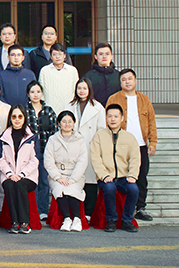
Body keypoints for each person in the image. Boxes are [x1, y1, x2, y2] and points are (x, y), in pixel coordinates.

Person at [106, 69, 157, 222]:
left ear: (135, 80)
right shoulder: (114, 99)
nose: (127, 82)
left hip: (140, 145)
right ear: (120, 82)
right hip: (120, 145)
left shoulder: (144, 99)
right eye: (124, 79)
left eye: (130, 78)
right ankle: (122, 208)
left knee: (141, 178)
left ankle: (140, 208)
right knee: (120, 177)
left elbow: (151, 122)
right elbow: (107, 121)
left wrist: (152, 142)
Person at [90, 104, 140, 232]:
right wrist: (104, 175)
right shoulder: (99, 136)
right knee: (109, 188)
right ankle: (111, 220)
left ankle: (127, 220)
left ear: (122, 118)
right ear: (106, 118)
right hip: (106, 177)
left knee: (134, 189)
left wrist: (132, 175)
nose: (113, 119)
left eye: (116, 116)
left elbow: (135, 158)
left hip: (124, 177)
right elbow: (95, 158)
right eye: (110, 116)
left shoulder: (129, 137)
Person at [65, 78, 106, 217]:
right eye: (79, 88)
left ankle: (88, 212)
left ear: (89, 90)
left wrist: (98, 148)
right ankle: (75, 212)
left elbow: (101, 130)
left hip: (90, 147)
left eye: (84, 88)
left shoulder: (98, 107)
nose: (81, 91)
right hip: (73, 147)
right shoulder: (69, 106)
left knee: (90, 180)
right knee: (75, 178)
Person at [0, 105, 39, 234]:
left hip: (28, 176)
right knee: (10, 186)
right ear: (10, 118)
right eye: (14, 116)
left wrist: (21, 174)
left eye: (20, 116)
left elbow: (35, 160)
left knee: (20, 185)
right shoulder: (3, 137)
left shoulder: (32, 137)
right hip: (9, 175)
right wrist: (10, 174)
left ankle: (25, 223)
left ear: (24, 118)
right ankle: (15, 222)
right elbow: (0, 159)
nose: (17, 119)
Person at [44, 111, 88, 232]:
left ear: (74, 123)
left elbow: (82, 161)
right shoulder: (53, 139)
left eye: (70, 121)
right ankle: (67, 219)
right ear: (59, 123)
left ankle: (77, 220)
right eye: (64, 121)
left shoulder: (80, 140)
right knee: (59, 189)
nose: (67, 124)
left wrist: (73, 179)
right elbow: (48, 160)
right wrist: (58, 177)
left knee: (72, 189)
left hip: (75, 175)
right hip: (58, 175)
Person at [25, 81, 59, 221]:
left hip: (45, 150)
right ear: (28, 94)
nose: (35, 94)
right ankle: (33, 209)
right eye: (32, 92)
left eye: (38, 92)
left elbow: (55, 131)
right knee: (32, 180)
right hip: (29, 152)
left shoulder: (48, 110)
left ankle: (43, 210)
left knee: (44, 181)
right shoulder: (24, 110)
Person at [38, 43, 79, 115]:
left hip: (69, 110)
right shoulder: (44, 71)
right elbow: (41, 92)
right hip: (50, 111)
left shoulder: (72, 70)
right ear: (51, 57)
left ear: (64, 56)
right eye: (54, 54)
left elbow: (76, 90)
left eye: (60, 54)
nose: (57, 57)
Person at [83, 43, 121, 107]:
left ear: (111, 56)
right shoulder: (88, 76)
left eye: (107, 54)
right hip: (94, 110)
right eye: (101, 54)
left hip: (115, 110)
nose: (104, 56)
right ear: (96, 57)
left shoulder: (118, 76)